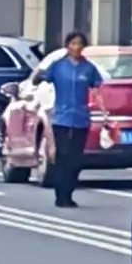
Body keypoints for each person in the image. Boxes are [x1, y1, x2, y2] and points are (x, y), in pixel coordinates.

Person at [40, 31, 97, 209]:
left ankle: (69, 193)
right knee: (62, 156)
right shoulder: (58, 66)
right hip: (61, 118)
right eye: (73, 43)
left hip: (81, 118)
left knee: (75, 159)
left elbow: (97, 90)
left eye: (80, 44)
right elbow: (40, 79)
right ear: (67, 45)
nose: (76, 47)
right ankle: (60, 195)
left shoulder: (89, 68)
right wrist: (39, 73)